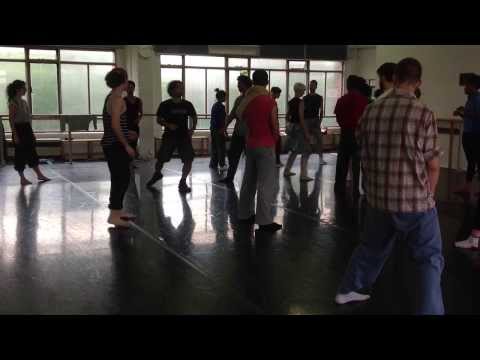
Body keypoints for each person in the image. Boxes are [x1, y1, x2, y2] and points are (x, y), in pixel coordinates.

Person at [335, 58, 444, 315]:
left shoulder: (371, 110)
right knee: (429, 258)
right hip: (415, 202)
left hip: (379, 200)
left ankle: (349, 289)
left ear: (394, 78)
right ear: (418, 82)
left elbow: (362, 147)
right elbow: (433, 165)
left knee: (371, 247)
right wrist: (429, 195)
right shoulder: (423, 113)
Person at [237, 69, 282, 233]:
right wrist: (275, 139)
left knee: (248, 180)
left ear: (253, 81)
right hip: (266, 144)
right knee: (266, 183)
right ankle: (264, 221)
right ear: (267, 81)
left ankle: (244, 214)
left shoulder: (247, 98)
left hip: (250, 144)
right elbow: (274, 124)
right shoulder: (269, 101)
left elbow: (239, 116)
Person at [147, 80, 197, 194]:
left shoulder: (187, 104)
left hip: (184, 136)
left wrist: (192, 128)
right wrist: (168, 125)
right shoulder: (165, 105)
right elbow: (159, 119)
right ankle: (157, 173)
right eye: (179, 87)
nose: (182, 89)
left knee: (188, 159)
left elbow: (194, 116)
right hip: (170, 136)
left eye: (182, 87)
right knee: (161, 159)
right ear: (172, 90)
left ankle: (183, 181)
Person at [101, 68, 136, 227]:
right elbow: (114, 125)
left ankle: (118, 211)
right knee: (120, 179)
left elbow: (114, 124)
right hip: (114, 145)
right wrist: (126, 145)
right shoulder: (117, 100)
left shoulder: (113, 97)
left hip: (114, 143)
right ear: (124, 81)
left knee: (122, 178)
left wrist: (127, 132)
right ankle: (114, 215)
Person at [7, 80, 50, 186]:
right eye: (23, 88)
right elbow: (11, 120)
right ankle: (22, 178)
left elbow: (27, 119)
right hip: (19, 130)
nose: (26, 90)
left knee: (32, 152)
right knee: (20, 154)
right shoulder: (13, 103)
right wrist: (15, 135)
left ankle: (39, 174)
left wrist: (32, 132)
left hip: (26, 129)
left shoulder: (24, 102)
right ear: (18, 90)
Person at [334, 75, 369, 198]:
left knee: (342, 162)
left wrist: (344, 125)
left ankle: (339, 187)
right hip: (358, 135)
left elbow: (338, 117)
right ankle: (356, 189)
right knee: (357, 163)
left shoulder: (341, 100)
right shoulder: (364, 100)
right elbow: (366, 119)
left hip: (345, 134)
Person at [219, 75, 253, 185]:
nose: (238, 87)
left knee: (251, 157)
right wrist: (224, 127)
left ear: (246, 85)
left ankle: (250, 179)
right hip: (238, 132)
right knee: (233, 154)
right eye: (238, 85)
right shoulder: (239, 99)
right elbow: (233, 114)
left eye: (240, 84)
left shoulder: (253, 98)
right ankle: (230, 177)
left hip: (250, 133)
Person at [453, 73, 480, 195]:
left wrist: (463, 113)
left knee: (476, 162)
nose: (464, 87)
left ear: (473, 86)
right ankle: (467, 188)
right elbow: (471, 116)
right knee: (471, 162)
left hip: (475, 136)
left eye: (467, 85)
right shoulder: (470, 99)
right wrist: (461, 113)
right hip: (469, 135)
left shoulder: (477, 99)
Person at [283, 83, 313, 181]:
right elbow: (301, 117)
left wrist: (290, 124)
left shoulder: (290, 102)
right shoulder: (301, 102)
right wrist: (307, 133)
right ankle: (303, 175)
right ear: (299, 91)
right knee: (306, 151)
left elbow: (287, 116)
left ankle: (287, 170)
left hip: (292, 128)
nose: (304, 92)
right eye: (303, 90)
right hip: (300, 128)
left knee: (295, 151)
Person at [303, 80, 326, 165]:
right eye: (310, 85)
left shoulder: (319, 97)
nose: (311, 87)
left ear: (316, 87)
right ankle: (305, 159)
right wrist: (304, 123)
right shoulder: (305, 98)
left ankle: (321, 159)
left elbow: (321, 110)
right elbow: (303, 110)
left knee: (319, 140)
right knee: (306, 141)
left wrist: (320, 121)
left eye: (313, 85)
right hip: (307, 121)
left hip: (315, 120)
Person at [209, 88, 227, 171]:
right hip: (218, 129)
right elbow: (221, 119)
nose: (226, 98)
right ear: (222, 97)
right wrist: (223, 130)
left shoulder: (214, 105)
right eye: (225, 97)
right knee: (221, 147)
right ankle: (222, 164)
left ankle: (213, 163)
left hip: (213, 129)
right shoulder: (221, 107)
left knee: (215, 147)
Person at [124, 80, 143, 155]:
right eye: (128, 87)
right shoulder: (123, 100)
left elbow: (141, 113)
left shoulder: (138, 100)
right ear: (126, 89)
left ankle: (132, 162)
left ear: (134, 88)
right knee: (126, 143)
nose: (130, 89)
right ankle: (127, 162)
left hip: (135, 125)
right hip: (126, 124)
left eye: (131, 87)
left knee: (134, 144)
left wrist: (138, 119)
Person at [270, 86, 283, 167]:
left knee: (277, 144)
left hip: (272, 126)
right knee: (277, 143)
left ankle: (276, 161)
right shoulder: (272, 102)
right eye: (278, 93)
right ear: (274, 93)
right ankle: (276, 161)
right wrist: (276, 128)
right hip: (272, 127)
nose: (279, 95)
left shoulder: (272, 101)